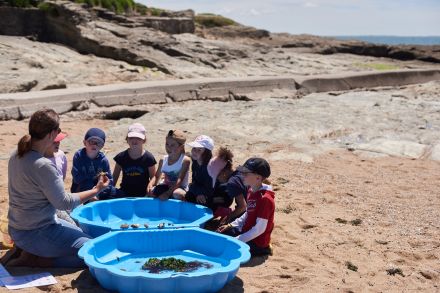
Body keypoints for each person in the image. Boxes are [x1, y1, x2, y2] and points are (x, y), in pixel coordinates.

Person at [6, 109, 109, 268]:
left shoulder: (17, 154)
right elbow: (64, 203)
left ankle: (30, 252)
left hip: (17, 228)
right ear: (51, 134)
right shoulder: (43, 165)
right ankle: (38, 260)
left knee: (84, 236)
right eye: (58, 131)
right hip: (36, 232)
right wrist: (96, 190)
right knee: (92, 251)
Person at [217, 157, 275, 257]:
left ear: (258, 177)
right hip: (246, 231)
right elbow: (248, 213)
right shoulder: (251, 190)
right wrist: (231, 225)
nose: (242, 175)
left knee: (225, 252)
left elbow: (259, 229)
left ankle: (265, 249)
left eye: (246, 173)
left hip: (257, 242)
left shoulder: (265, 199)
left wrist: (237, 240)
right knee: (220, 234)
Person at [112, 123, 157, 197]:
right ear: (127, 139)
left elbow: (154, 177)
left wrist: (150, 187)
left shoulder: (149, 158)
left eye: (138, 138)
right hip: (124, 193)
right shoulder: (121, 157)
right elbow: (114, 178)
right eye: (131, 137)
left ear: (144, 140)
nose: (134, 140)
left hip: (143, 193)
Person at [71, 128, 113, 201]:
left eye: (98, 143)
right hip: (82, 189)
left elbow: (109, 180)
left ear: (102, 146)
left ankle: (96, 198)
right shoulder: (79, 156)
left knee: (118, 193)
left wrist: (101, 186)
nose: (94, 145)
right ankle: (92, 199)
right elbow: (77, 178)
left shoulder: (103, 160)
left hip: (99, 188)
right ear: (84, 142)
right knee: (88, 183)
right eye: (91, 142)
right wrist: (94, 182)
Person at [44, 131, 76, 226]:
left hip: (62, 196)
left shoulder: (61, 155)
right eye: (55, 141)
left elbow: (62, 177)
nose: (58, 143)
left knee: (80, 213)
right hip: (49, 203)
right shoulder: (39, 160)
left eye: (59, 140)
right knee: (73, 224)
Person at [150, 130, 190, 200]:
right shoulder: (163, 160)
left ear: (181, 147)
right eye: (167, 144)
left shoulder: (185, 160)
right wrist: (150, 186)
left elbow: (179, 180)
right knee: (152, 191)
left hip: (180, 188)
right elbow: (156, 176)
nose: (168, 147)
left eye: (172, 145)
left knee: (177, 194)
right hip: (165, 186)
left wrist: (167, 193)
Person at [185, 135, 215, 206]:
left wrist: (199, 192)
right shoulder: (195, 162)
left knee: (202, 201)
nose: (195, 152)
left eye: (199, 150)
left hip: (214, 194)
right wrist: (197, 192)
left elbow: (211, 189)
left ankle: (220, 210)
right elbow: (194, 182)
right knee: (189, 196)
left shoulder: (210, 168)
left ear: (206, 153)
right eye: (194, 148)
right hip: (200, 189)